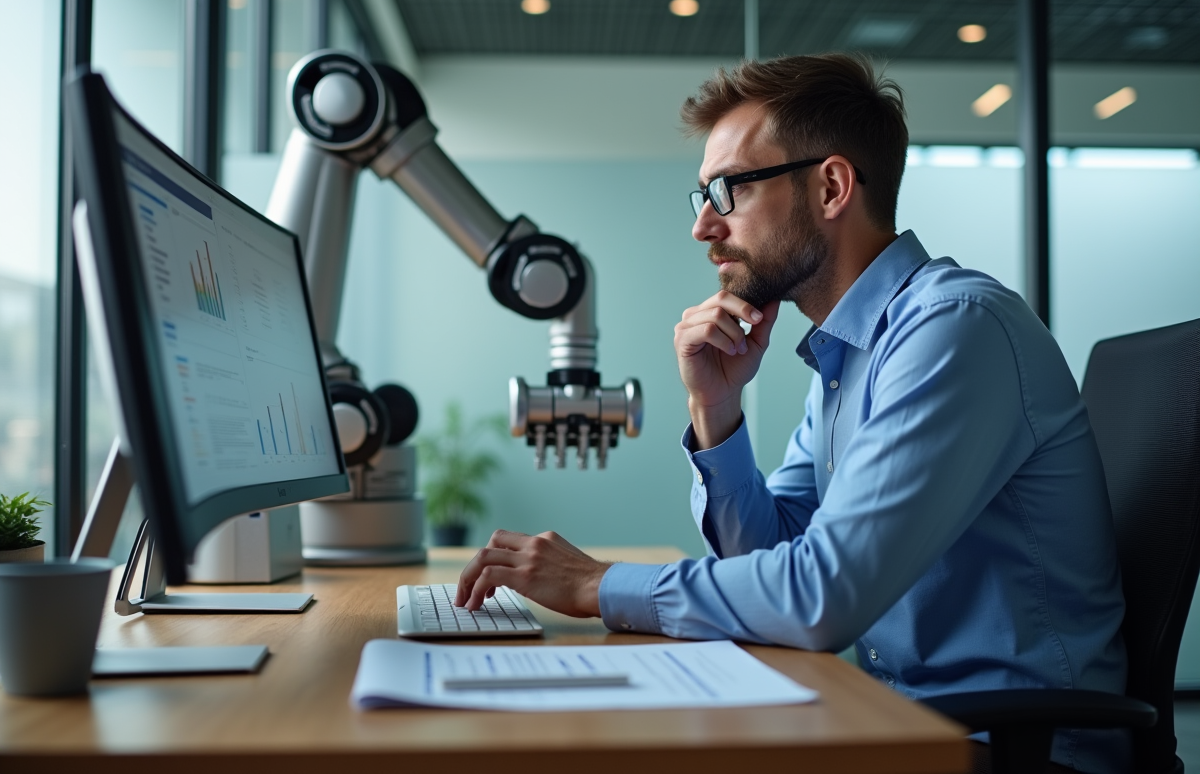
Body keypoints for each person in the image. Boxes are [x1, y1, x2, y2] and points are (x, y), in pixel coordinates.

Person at [455, 54, 1128, 773]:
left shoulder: (952, 329)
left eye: (726, 190)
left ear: (832, 186)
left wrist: (595, 585)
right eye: (701, 197)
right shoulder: (849, 353)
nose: (703, 227)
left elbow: (820, 597)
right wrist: (716, 407)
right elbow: (769, 566)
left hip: (1016, 751)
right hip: (901, 725)